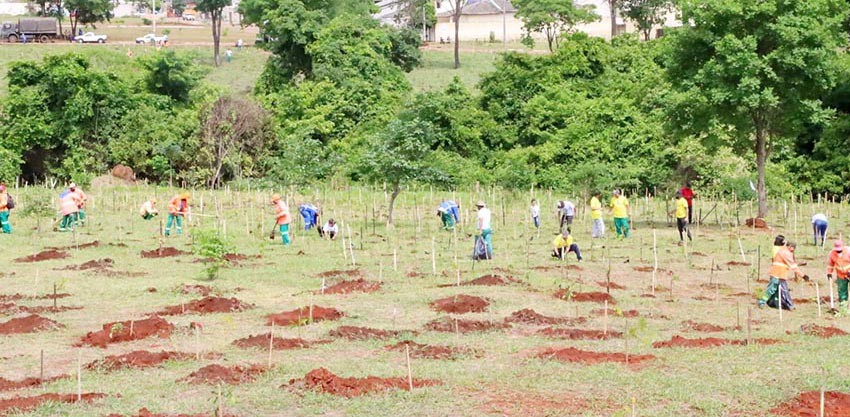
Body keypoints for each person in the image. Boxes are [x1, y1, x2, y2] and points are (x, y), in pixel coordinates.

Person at [758, 241, 809, 310]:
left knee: (778, 291)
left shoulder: (782, 251)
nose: (793, 250)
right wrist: (803, 275)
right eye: (793, 248)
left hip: (779, 274)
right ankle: (762, 302)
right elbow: (793, 266)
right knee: (773, 289)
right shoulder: (786, 253)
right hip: (778, 274)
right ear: (790, 247)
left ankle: (777, 304)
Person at [826, 240, 850, 310]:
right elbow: (830, 264)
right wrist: (829, 273)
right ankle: (843, 308)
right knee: (842, 292)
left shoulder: (848, 251)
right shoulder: (832, 254)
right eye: (837, 251)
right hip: (841, 275)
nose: (838, 252)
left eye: (840, 251)